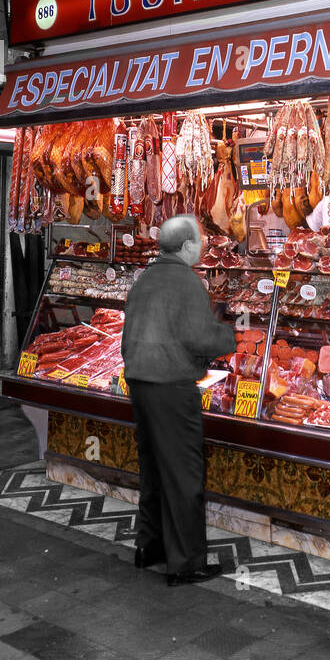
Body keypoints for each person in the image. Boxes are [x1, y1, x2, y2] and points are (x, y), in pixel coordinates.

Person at [120, 214, 236, 586]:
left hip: (139, 382)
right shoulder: (187, 281)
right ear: (186, 246)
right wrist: (231, 338)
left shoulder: (145, 279)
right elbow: (200, 338)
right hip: (170, 385)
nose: (202, 247)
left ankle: (148, 547)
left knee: (153, 469)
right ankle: (185, 563)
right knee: (184, 474)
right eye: (199, 241)